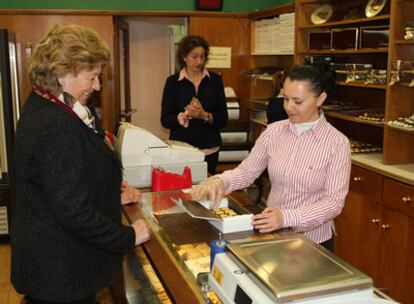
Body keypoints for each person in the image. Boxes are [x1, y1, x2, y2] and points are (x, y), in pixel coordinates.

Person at [11, 24, 150, 304]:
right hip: (59, 271)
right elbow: (72, 211)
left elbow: (62, 177)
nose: (97, 86)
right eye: (93, 76)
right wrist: (126, 236)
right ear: (63, 74)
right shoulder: (55, 124)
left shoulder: (51, 105)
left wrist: (108, 188)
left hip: (55, 265)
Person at [192, 63, 351, 251]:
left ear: (320, 99)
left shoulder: (337, 143)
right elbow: (246, 172)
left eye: (298, 101)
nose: (289, 107)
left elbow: (333, 203)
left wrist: (286, 217)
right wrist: (220, 181)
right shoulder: (274, 131)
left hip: (313, 242)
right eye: (285, 99)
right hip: (273, 234)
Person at [161, 35, 228, 175]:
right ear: (184, 57)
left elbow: (223, 117)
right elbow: (165, 120)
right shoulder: (173, 82)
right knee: (183, 190)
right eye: (194, 56)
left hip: (209, 150)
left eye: (202, 57)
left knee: (205, 189)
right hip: (182, 151)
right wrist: (186, 115)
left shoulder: (215, 81)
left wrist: (204, 115)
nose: (199, 61)